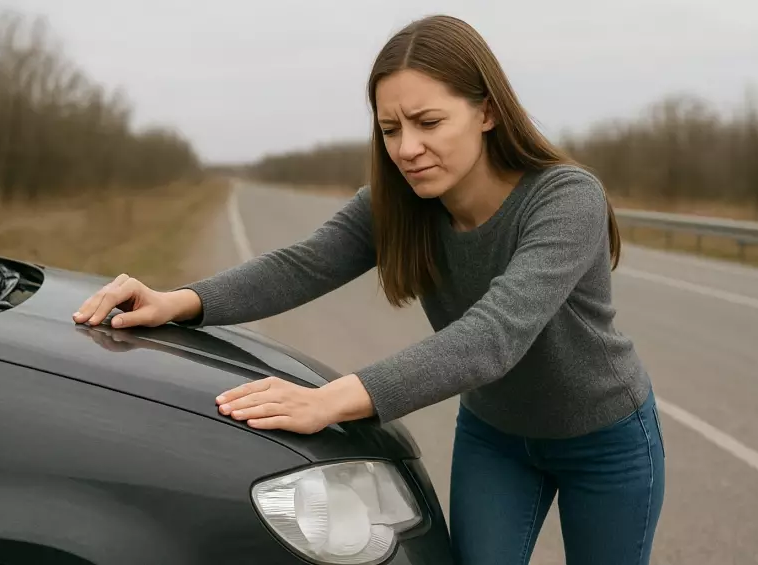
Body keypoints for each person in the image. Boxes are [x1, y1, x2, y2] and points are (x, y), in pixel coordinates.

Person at [73, 14, 665, 565]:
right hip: (497, 440)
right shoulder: (400, 203)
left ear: (487, 112)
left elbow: (493, 338)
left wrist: (328, 399)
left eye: (429, 122)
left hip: (604, 440)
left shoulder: (566, 198)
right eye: (390, 128)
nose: (408, 148)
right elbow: (301, 265)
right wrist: (179, 301)